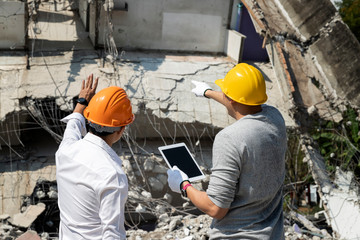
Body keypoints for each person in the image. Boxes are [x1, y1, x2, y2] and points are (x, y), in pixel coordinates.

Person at [167, 63, 287, 239]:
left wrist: (183, 185)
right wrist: (208, 92)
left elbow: (215, 208)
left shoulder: (230, 138)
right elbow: (241, 101)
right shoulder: (275, 118)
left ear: (231, 99)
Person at [55, 74, 135, 240]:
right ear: (121, 130)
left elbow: (73, 124)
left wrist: (82, 102)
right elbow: (112, 235)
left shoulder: (66, 151)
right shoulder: (112, 175)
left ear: (89, 119)